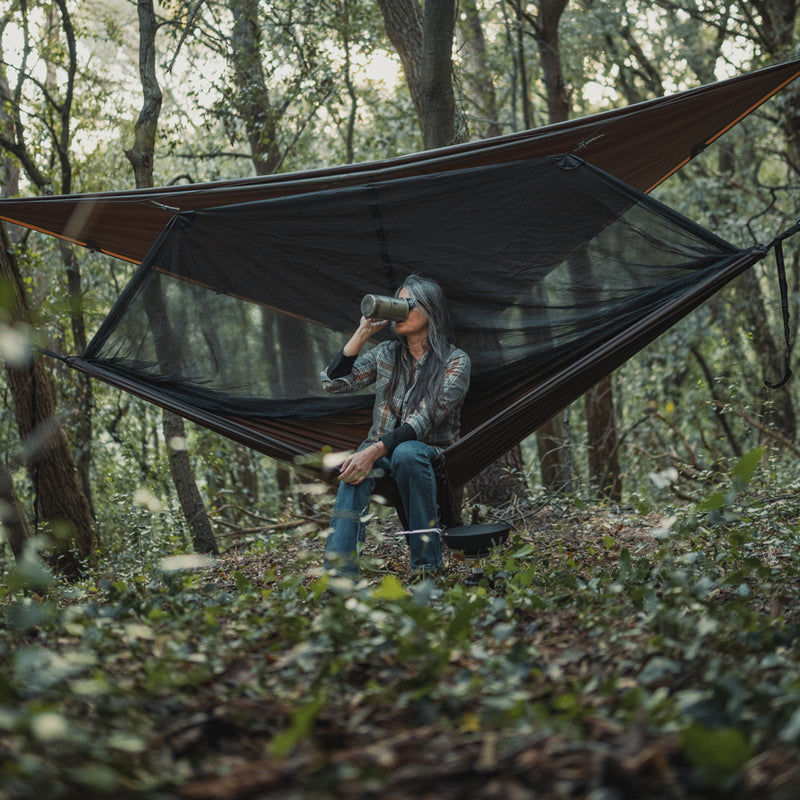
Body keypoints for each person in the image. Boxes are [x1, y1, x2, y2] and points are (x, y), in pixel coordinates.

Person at [320, 275, 471, 578]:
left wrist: (371, 452)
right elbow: (332, 383)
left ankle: (426, 568)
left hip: (428, 451)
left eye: (407, 304)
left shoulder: (456, 361)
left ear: (431, 311)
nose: (399, 311)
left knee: (407, 452)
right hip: (382, 452)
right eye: (397, 303)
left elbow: (422, 421)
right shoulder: (386, 354)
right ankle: (340, 577)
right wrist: (362, 333)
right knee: (353, 474)